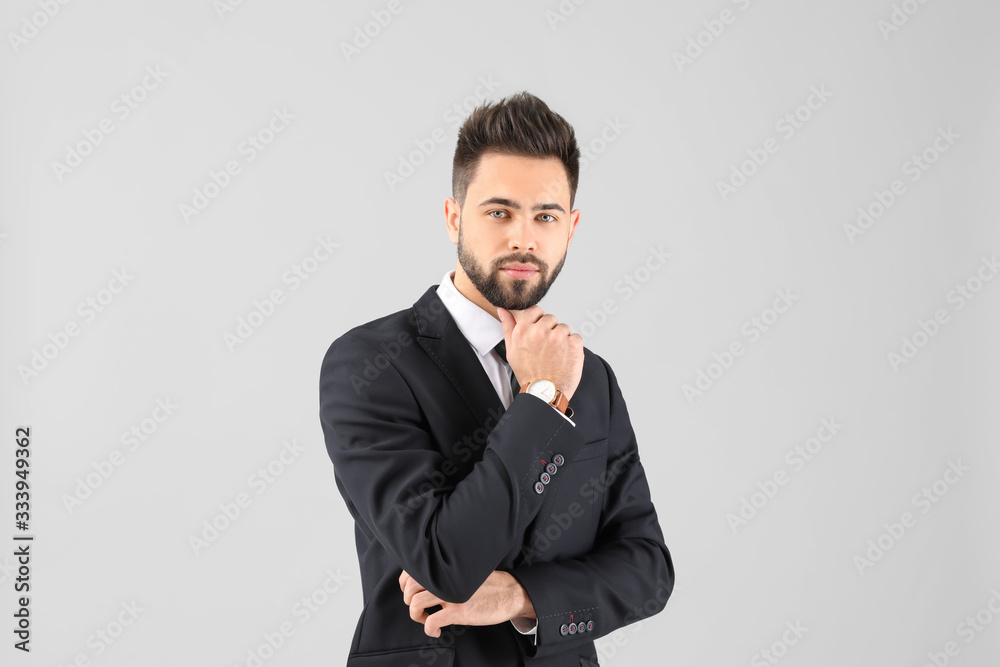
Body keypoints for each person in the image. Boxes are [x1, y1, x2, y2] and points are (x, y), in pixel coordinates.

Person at [318, 91, 674, 666]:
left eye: (546, 216)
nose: (524, 239)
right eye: (499, 211)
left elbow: (647, 569)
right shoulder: (368, 363)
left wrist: (522, 597)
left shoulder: (593, 377)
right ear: (454, 216)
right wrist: (542, 398)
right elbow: (444, 559)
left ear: (572, 227)